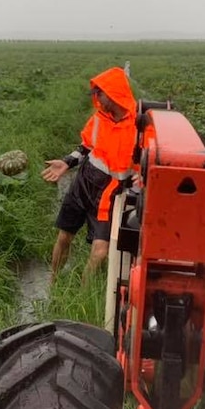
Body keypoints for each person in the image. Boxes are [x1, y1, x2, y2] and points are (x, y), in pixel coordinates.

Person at [42, 67, 138, 283]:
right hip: (83, 184)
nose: (96, 99)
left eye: (99, 94)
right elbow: (85, 147)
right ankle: (53, 282)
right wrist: (66, 163)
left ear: (112, 93)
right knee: (64, 236)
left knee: (100, 251)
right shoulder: (98, 119)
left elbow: (145, 161)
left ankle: (82, 294)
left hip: (110, 195)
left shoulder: (138, 126)